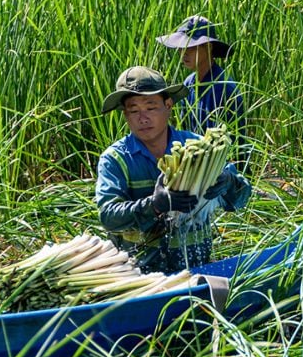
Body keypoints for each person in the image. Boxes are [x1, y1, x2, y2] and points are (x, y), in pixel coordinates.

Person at [95, 66, 252, 274]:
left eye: (150, 108)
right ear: (125, 115)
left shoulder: (198, 149)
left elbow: (241, 200)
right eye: (134, 111)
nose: (142, 118)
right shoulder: (116, 159)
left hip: (198, 269)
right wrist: (154, 205)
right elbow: (108, 216)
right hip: (140, 276)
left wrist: (229, 183)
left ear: (168, 105)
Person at [157, 16, 248, 166]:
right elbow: (185, 132)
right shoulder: (189, 83)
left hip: (222, 168)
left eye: (190, 47)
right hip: (194, 163)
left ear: (209, 47)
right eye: (181, 48)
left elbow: (230, 146)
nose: (183, 53)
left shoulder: (223, 87)